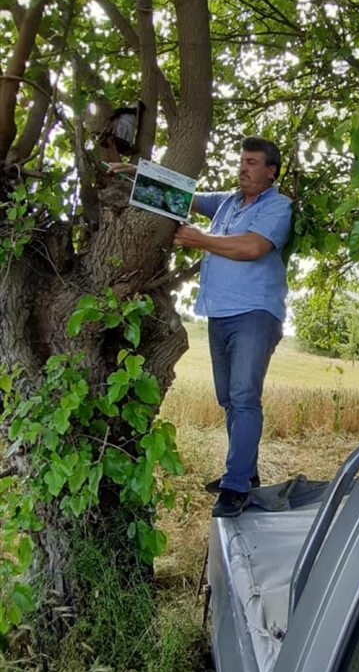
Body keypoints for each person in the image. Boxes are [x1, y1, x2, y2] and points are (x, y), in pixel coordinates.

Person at [108, 137, 292, 518]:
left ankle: (235, 485)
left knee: (243, 396)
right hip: (220, 314)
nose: (243, 168)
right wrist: (138, 175)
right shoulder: (225, 201)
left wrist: (200, 239)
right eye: (241, 161)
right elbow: (184, 195)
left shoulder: (278, 205)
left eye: (253, 162)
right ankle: (247, 473)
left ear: (271, 170)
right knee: (228, 398)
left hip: (255, 312)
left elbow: (252, 247)